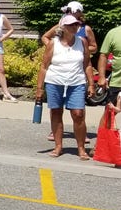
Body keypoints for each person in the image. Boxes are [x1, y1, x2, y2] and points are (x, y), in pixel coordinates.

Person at [36, 13, 93, 159]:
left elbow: (87, 64)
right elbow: (44, 66)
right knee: (56, 112)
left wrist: (91, 84)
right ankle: (58, 146)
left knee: (78, 114)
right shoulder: (53, 43)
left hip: (76, 82)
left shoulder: (82, 42)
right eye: (71, 25)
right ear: (64, 27)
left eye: (77, 25)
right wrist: (39, 88)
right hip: (55, 81)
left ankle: (81, 148)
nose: (75, 27)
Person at [98, 22, 121, 107]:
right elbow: (103, 55)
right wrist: (101, 77)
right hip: (117, 82)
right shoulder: (113, 33)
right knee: (109, 114)